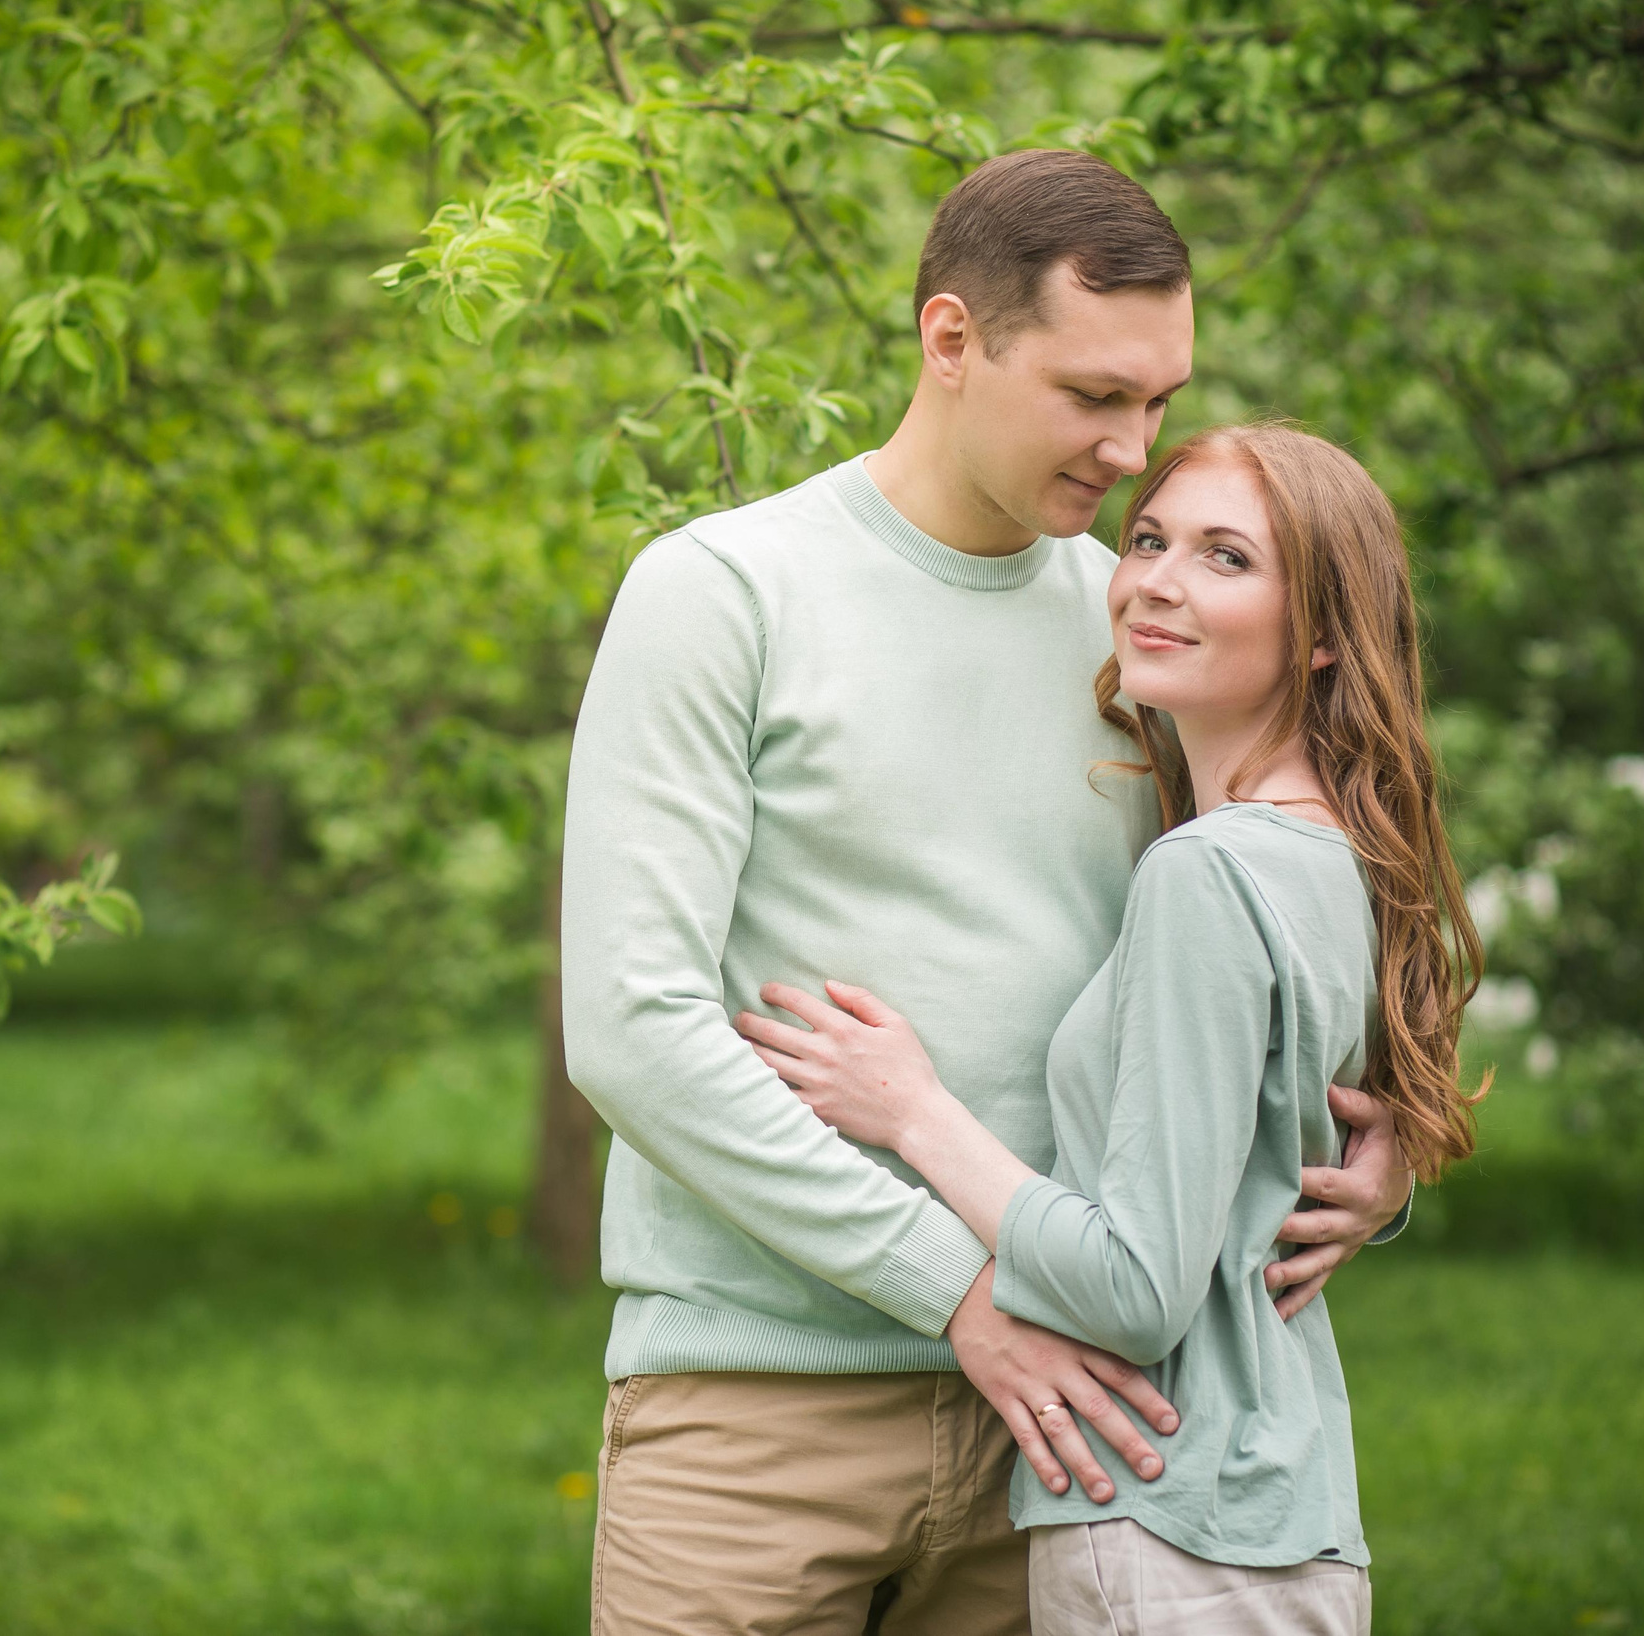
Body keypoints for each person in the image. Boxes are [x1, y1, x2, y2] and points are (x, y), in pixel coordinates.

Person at [561, 153, 1416, 1636]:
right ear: (951, 340)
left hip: (1078, 1440)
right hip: (762, 1406)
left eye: (1158, 400)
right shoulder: (724, 593)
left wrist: (1384, 1127)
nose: (1134, 446)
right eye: (1096, 395)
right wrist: (956, 1285)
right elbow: (635, 1031)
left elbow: (1308, 881)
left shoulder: (1138, 623)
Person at [739, 421, 1486, 1634]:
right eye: (1146, 538)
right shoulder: (1334, 853)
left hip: (1165, 1523)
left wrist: (912, 1112)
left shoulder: (1208, 875)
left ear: (1325, 636)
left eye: (1228, 559)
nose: (1155, 581)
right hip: (1271, 1514)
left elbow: (1135, 1291)